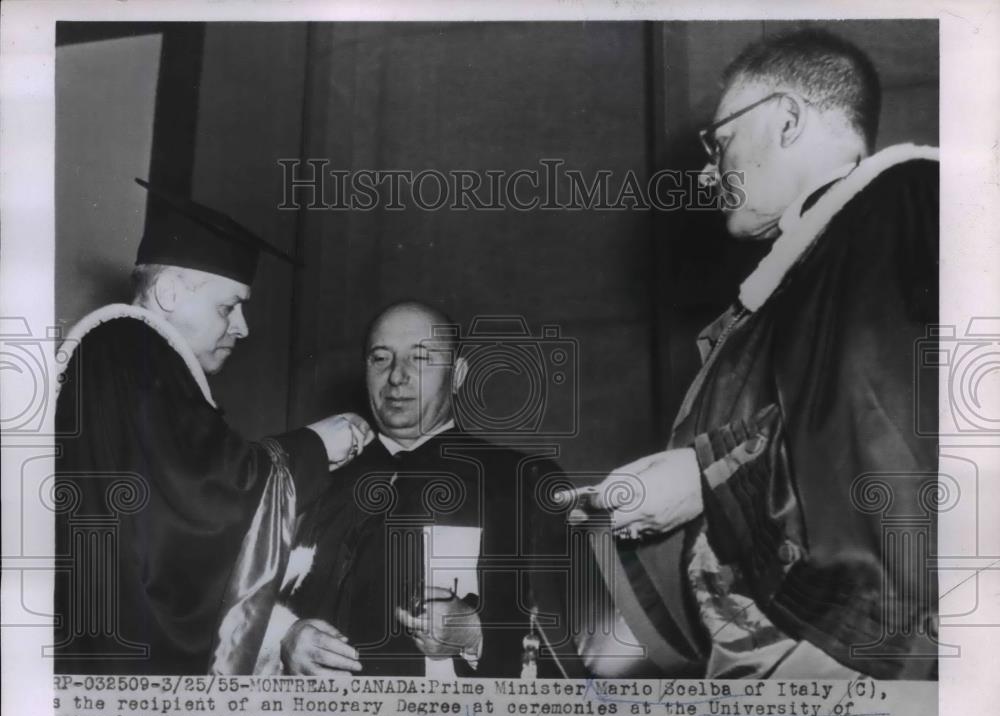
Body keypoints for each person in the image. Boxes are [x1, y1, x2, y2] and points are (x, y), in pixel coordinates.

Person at [569, 28, 938, 679]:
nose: (708, 168)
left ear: (788, 119)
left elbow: (891, 439)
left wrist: (704, 477)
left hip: (868, 663)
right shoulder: (790, 283)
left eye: (720, 140)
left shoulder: (900, 199)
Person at [53, 179, 372, 674]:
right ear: (167, 292)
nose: (242, 327)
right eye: (228, 306)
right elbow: (203, 496)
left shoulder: (124, 356)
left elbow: (164, 533)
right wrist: (314, 447)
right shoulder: (130, 349)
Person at [258, 301, 581, 678]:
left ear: (458, 374)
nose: (397, 377)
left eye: (422, 358)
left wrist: (478, 635)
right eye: (380, 358)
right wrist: (285, 639)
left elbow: (574, 632)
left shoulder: (523, 481)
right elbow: (246, 605)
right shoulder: (313, 480)